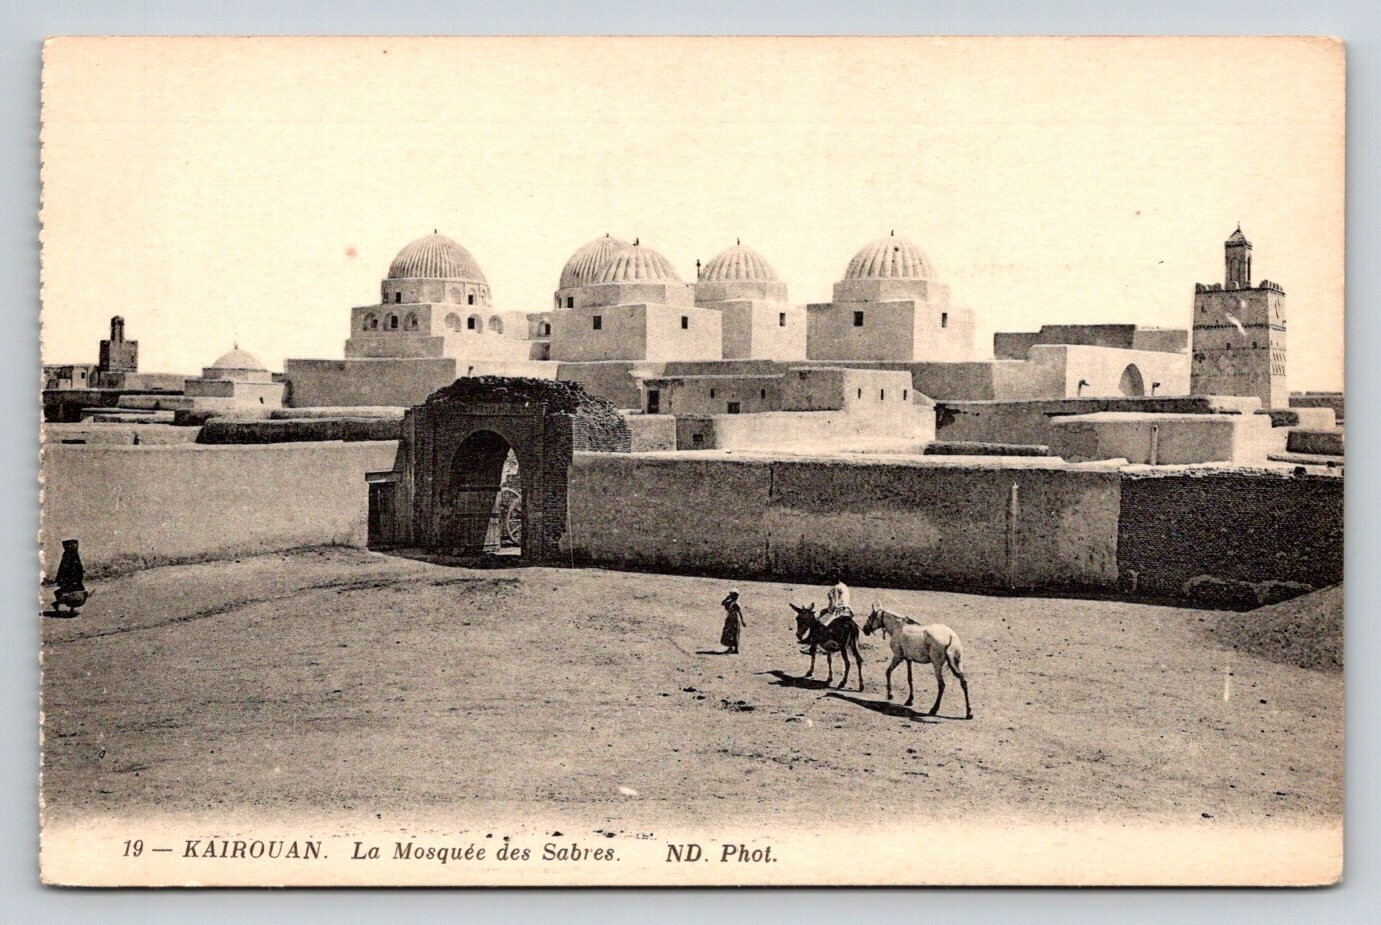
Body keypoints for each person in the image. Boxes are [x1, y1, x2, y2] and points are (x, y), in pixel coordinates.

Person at [54, 538, 85, 610]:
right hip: (70, 578)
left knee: (71, 593)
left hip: (72, 579)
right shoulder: (69, 554)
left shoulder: (73, 554)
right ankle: (61, 606)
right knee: (68, 593)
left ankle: (67, 608)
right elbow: (63, 567)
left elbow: (78, 567)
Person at [719, 590, 746, 654]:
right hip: (730, 619)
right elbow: (723, 603)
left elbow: (739, 612)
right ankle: (732, 648)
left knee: (733, 634)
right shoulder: (730, 602)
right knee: (730, 634)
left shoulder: (735, 603)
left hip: (734, 620)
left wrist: (742, 621)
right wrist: (727, 598)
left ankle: (734, 649)